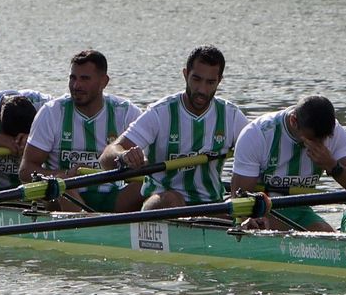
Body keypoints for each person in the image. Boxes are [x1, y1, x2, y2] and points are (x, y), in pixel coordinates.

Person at [99, 46, 248, 211]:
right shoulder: (160, 113)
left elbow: (259, 154)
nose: (202, 90)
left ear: (219, 80)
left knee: (244, 206)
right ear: (185, 75)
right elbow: (106, 157)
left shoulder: (231, 116)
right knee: (172, 199)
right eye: (196, 79)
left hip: (210, 205)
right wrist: (122, 156)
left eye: (210, 82)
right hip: (161, 202)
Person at [17, 50, 143, 211]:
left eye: (85, 79)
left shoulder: (126, 112)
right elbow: (26, 170)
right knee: (62, 185)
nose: (76, 86)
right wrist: (64, 174)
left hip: (113, 195)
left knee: (150, 184)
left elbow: (149, 162)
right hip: (67, 194)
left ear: (104, 81)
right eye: (73, 78)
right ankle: (88, 224)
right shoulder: (52, 112)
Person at [228, 95, 346, 231]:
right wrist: (246, 221)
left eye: (324, 139)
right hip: (262, 210)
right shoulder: (257, 134)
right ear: (293, 121)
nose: (319, 144)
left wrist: (332, 166)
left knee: (330, 238)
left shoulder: (335, 132)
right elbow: (240, 197)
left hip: (301, 210)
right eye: (312, 138)